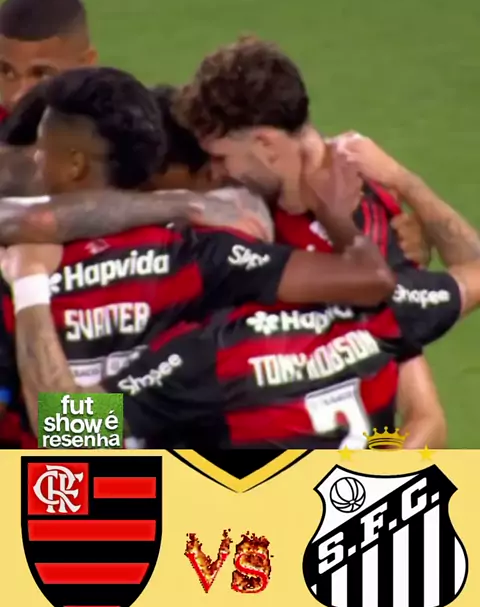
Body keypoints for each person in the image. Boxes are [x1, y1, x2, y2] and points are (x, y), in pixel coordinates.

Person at [3, 93, 480, 450]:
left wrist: (29, 282)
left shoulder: (212, 355)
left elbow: (66, 428)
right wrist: (402, 184)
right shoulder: (378, 309)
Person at [174, 36, 448, 446]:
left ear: (265, 145)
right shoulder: (233, 218)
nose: (213, 175)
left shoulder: (368, 230)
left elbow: (427, 418)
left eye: (220, 157)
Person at [0, 0, 97, 195]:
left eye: (41, 74)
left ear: (86, 64)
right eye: (6, 71)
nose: (17, 96)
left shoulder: (116, 135)